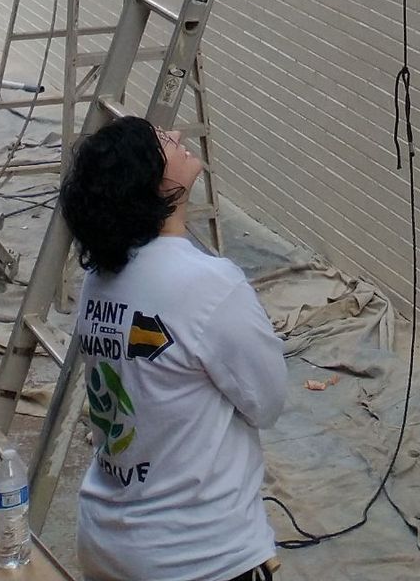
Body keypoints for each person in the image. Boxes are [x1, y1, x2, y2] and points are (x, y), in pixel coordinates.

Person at [62, 114, 289, 581]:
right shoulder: (207, 284)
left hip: (107, 541)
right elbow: (266, 403)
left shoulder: (98, 279)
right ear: (148, 186)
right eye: (160, 142)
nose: (177, 136)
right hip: (197, 557)